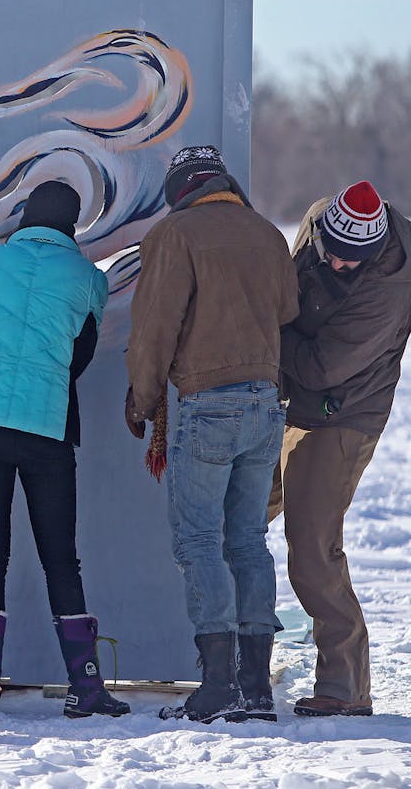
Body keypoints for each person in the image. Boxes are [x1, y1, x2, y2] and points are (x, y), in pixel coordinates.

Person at [125, 146, 299, 723]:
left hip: (208, 406)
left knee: (199, 541)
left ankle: (220, 686)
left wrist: (143, 397)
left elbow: (154, 326)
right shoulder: (268, 233)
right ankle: (256, 690)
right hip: (264, 406)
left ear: (182, 191)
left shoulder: (177, 235)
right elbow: (288, 308)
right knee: (248, 540)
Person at [0, 180, 128, 718]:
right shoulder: (90, 280)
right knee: (59, 557)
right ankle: (85, 686)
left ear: (26, 216)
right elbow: (81, 354)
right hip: (46, 426)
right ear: (72, 224)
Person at [270, 180, 411, 717]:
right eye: (331, 252)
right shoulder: (315, 219)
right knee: (231, 518)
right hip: (289, 398)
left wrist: (254, 329)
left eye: (353, 260)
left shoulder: (387, 288)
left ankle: (346, 686)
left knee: (311, 545)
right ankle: (231, 651)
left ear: (372, 252)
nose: (338, 264)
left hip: (343, 414)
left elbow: (318, 367)